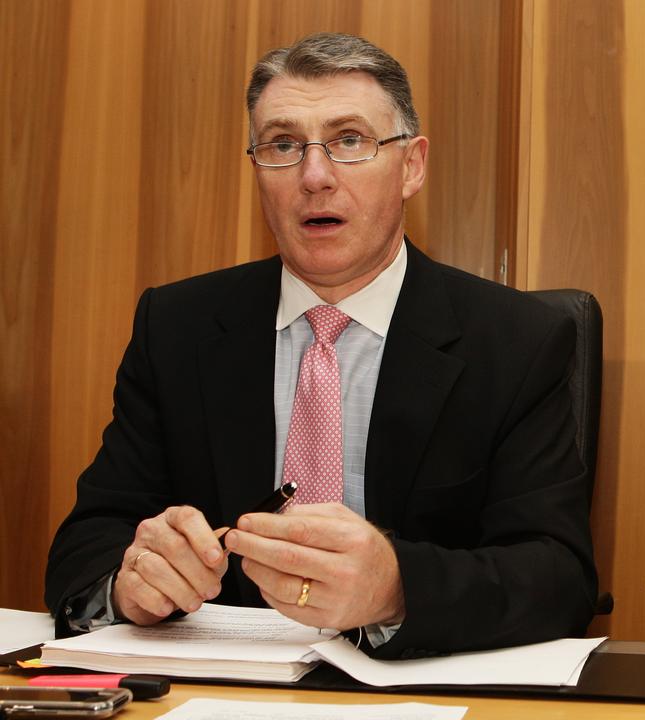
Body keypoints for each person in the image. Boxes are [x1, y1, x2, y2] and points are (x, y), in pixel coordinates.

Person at [45, 32, 597, 659]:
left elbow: (557, 574)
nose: (314, 176)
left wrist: (395, 588)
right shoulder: (176, 326)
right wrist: (130, 583)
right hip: (219, 690)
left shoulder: (516, 340)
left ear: (411, 165)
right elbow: (86, 541)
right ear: (257, 166)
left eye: (350, 141)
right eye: (282, 145)